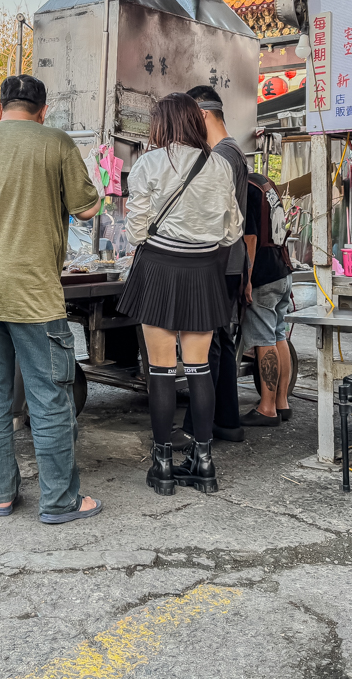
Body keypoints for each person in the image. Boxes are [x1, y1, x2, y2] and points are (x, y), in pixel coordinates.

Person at [0, 76, 103, 524]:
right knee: (48, 397)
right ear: (42, 109)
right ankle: (59, 501)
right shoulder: (56, 143)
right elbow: (88, 208)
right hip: (33, 293)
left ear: (1, 106)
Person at [118, 92, 242, 497]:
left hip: (159, 267)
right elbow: (232, 230)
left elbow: (136, 227)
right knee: (199, 366)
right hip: (205, 270)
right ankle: (204, 464)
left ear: (161, 124)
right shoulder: (220, 164)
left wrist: (152, 236)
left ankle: (163, 465)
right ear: (194, 120)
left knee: (161, 370)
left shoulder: (149, 163)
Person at [174, 85, 249, 447]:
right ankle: (227, 420)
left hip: (219, 261)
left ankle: (194, 428)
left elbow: (218, 218)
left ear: (202, 114)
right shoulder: (233, 152)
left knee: (208, 347)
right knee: (220, 340)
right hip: (229, 261)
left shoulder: (222, 155)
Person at [239, 172, 294, 426]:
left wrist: (247, 279)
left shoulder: (245, 188)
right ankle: (282, 403)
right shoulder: (265, 184)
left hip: (263, 274)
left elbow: (250, 238)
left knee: (264, 340)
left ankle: (267, 408)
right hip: (281, 269)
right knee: (278, 334)